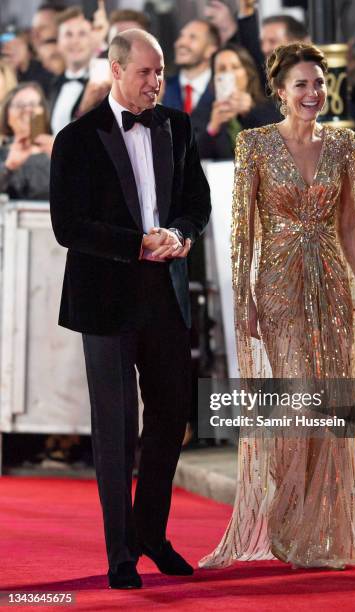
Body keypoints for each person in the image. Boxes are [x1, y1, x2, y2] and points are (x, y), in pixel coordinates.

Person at [199, 42, 355, 570]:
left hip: (331, 283)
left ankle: (322, 530)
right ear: (279, 91)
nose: (312, 93)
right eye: (301, 84)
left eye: (319, 84)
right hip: (279, 286)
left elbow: (352, 224)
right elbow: (244, 232)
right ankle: (287, 517)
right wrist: (247, 299)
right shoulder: (255, 145)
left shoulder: (343, 144)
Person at [49, 29, 211, 589]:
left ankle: (151, 533)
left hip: (165, 295)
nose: (156, 82)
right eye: (145, 72)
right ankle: (120, 553)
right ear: (116, 70)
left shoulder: (179, 126)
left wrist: (181, 236)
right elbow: (67, 226)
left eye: (160, 71)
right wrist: (135, 244)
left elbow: (197, 203)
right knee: (116, 428)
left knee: (171, 416)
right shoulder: (75, 139)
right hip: (106, 300)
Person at [198, 44, 277, 160]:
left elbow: (279, 147)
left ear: (248, 73)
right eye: (222, 69)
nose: (229, 74)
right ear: (214, 78)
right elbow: (192, 160)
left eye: (235, 67)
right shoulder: (205, 112)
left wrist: (250, 112)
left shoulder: (269, 108)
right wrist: (212, 128)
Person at [50, 7, 109, 135]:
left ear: (94, 40)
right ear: (58, 43)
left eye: (82, 34)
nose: (75, 41)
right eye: (68, 34)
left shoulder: (103, 84)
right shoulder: (51, 84)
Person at [162, 20, 220, 139]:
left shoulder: (221, 90)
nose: (181, 43)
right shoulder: (161, 89)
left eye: (192, 37)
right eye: (181, 36)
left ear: (210, 49)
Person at [0, 82, 53, 199]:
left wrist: (62, 161)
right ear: (7, 116)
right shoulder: (2, 154)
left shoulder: (59, 150)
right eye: (19, 105)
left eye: (33, 104)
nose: (28, 110)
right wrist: (8, 168)